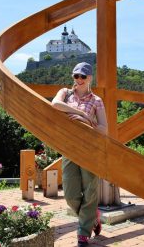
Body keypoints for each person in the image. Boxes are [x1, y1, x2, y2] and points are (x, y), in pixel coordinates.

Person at [51, 62, 108, 247]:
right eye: (76, 76)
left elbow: (103, 129)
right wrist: (80, 113)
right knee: (70, 194)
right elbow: (55, 104)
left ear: (90, 78)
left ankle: (83, 234)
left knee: (90, 192)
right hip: (69, 148)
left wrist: (86, 121)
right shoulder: (65, 93)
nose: (79, 79)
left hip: (90, 150)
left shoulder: (97, 100)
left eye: (83, 76)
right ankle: (93, 216)